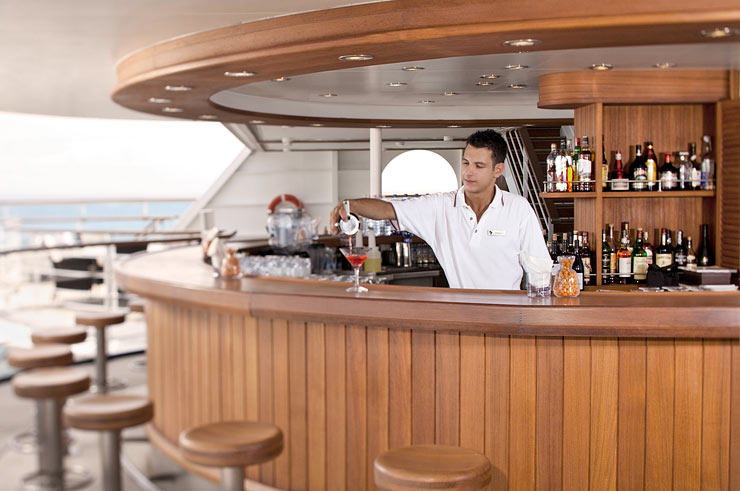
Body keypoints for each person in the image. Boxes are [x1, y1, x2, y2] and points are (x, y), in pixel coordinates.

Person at [329, 129, 549, 289]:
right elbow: (388, 209)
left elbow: (541, 269)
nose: (468, 172)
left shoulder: (519, 209)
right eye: (465, 163)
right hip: (461, 316)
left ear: (498, 170)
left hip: (509, 317)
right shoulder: (440, 207)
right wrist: (350, 204)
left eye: (478, 166)